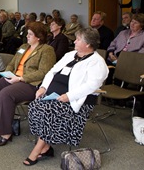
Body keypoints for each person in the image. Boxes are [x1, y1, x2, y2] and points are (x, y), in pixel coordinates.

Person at [23, 28, 108, 166]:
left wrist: (69, 96)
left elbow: (91, 85)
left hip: (77, 100)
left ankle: (37, 149)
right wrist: (43, 87)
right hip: (54, 95)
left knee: (49, 111)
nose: (74, 41)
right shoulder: (70, 55)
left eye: (78, 39)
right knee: (34, 106)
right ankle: (45, 147)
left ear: (88, 44)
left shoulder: (97, 63)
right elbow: (52, 71)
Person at [0, 22, 56, 147]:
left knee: (5, 94)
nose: (27, 36)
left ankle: (6, 132)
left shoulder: (46, 50)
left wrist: (21, 78)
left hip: (30, 83)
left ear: (38, 37)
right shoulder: (24, 46)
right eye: (27, 33)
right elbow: (12, 63)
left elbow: (44, 72)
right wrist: (8, 73)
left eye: (30, 34)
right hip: (14, 78)